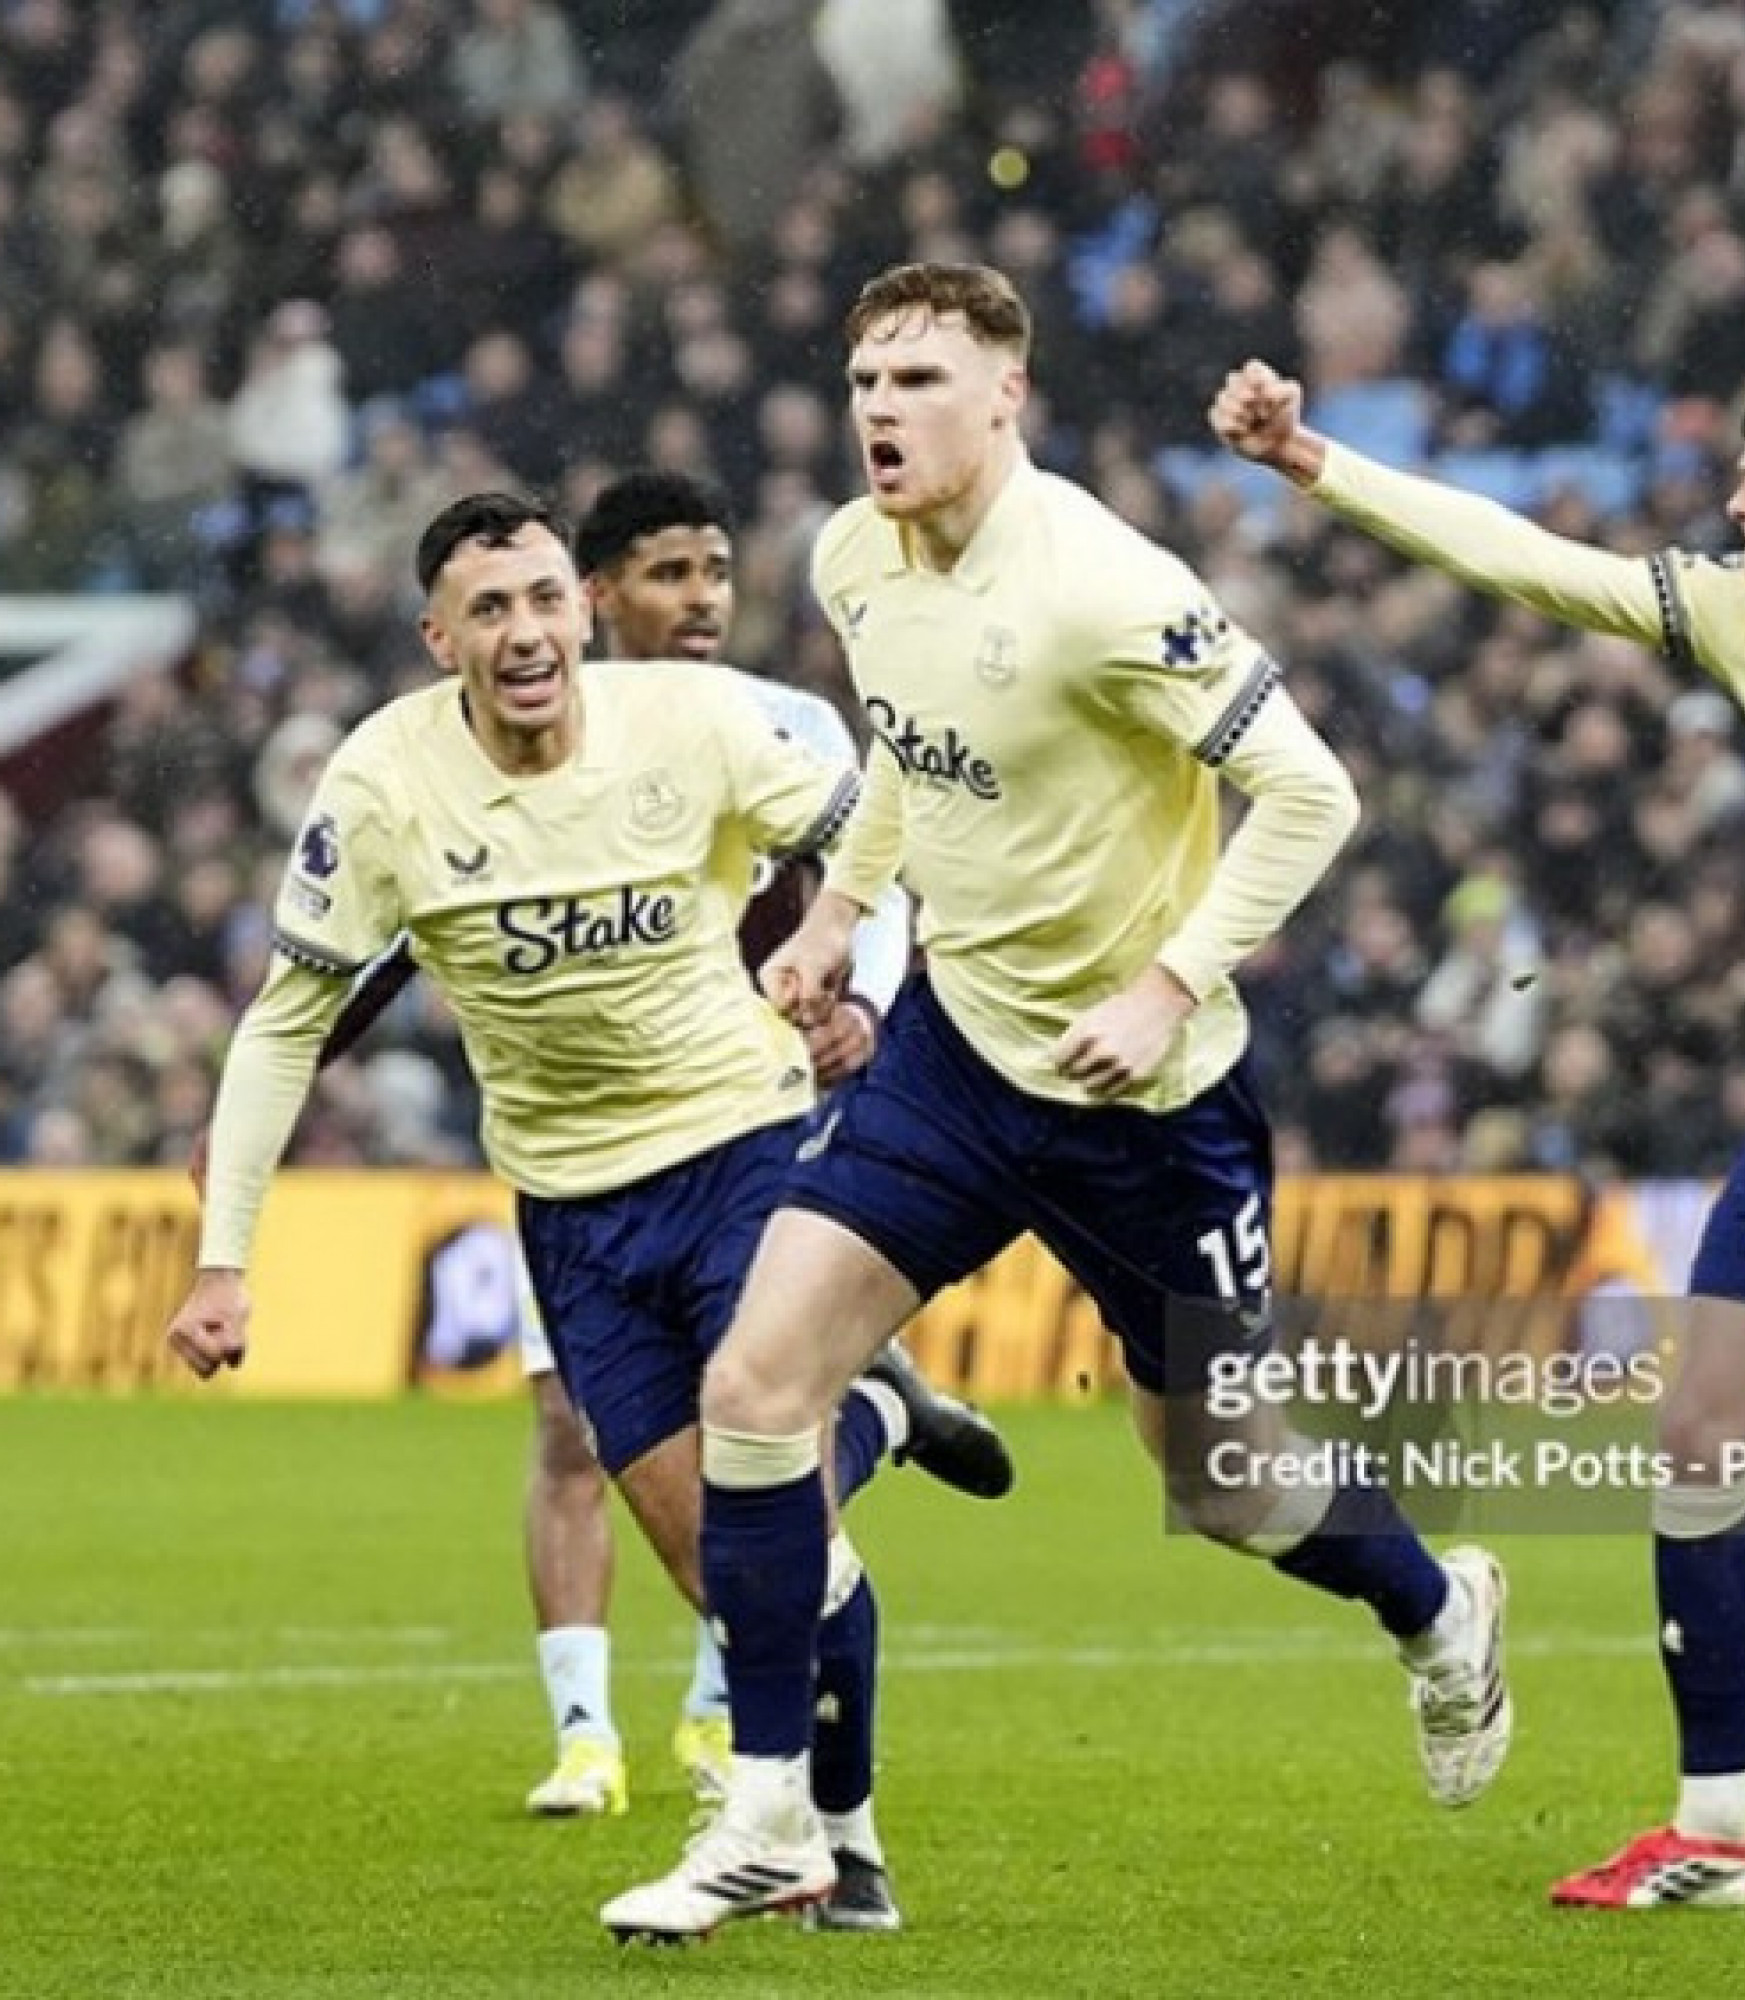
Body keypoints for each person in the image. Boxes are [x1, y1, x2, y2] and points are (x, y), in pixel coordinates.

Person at [598, 263, 1513, 1947]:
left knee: (1221, 1483)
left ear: (1007, 394)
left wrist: (1169, 980)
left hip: (1149, 1107)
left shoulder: (1106, 586)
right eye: (866, 378)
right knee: (756, 1385)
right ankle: (771, 1816)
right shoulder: (854, 555)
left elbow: (1313, 793)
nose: (881, 410)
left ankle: (1438, 1607)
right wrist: (837, 917)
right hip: (956, 1061)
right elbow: (907, 751)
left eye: (921, 380)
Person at [1210, 352, 1745, 1909]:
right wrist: (1315, 463)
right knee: (1699, 1436)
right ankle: (1714, 1834)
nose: (1732, 503)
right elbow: (1538, 565)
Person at [165, 491, 983, 1932]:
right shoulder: (383, 783)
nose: (526, 632)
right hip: (570, 1212)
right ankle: (873, 1436)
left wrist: (841, 951)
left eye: (545, 599)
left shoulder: (700, 721)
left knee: (771, 1515)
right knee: (728, 1565)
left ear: (584, 612)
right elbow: (290, 1019)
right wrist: (224, 1261)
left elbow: (890, 820)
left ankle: (811, 1836)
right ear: (440, 639)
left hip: (743, 1149)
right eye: (489, 610)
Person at [522, 469, 1011, 1831]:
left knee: (744, 1414)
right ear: (597, 594)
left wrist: (864, 1005)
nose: (703, 599)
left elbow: (881, 874)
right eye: (669, 573)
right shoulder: (529, 737)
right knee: (570, 1429)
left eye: (718, 570)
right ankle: (583, 1736)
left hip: (749, 1118)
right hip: (576, 1135)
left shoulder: (789, 723)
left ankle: (727, 1713)